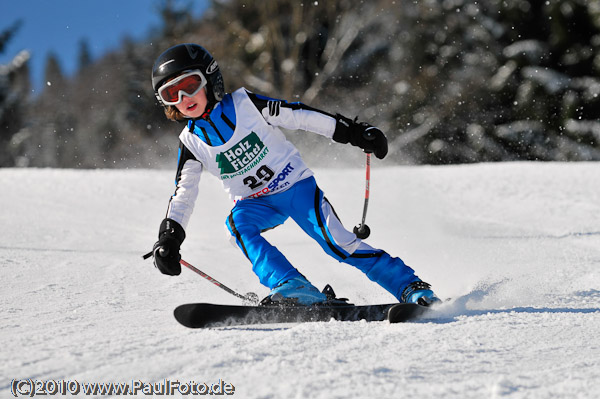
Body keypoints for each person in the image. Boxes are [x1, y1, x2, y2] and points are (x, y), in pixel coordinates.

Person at [149, 43, 439, 306]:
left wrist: (353, 132)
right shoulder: (191, 143)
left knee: (336, 243)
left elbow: (299, 115)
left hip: (294, 185)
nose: (184, 97)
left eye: (189, 84)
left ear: (210, 79)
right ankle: (293, 285)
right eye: (171, 93)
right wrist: (170, 237)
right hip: (254, 203)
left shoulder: (245, 105)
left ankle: (409, 286)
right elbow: (183, 193)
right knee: (236, 226)